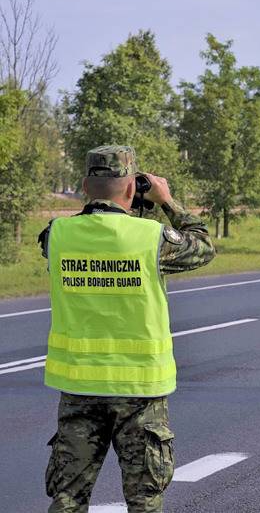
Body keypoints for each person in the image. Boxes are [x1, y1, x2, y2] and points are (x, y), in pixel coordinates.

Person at [38, 145, 215, 513]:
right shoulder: (150, 237)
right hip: (140, 393)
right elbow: (203, 245)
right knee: (144, 500)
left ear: (85, 186)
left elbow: (90, 222)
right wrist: (166, 200)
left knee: (67, 498)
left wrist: (113, 202)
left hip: (79, 389)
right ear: (133, 188)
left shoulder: (57, 235)